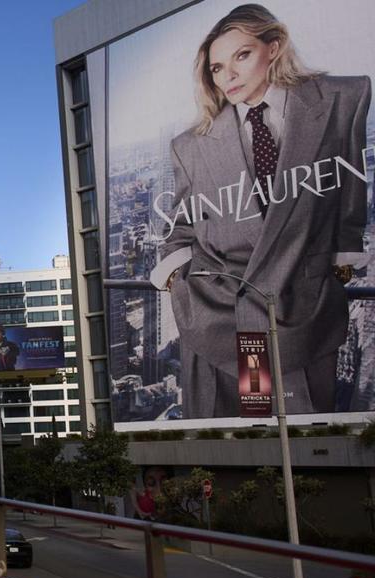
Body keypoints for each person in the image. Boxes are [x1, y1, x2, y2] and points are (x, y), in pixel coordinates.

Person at [151, 4, 370, 417]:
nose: (227, 75)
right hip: (217, 316)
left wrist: (342, 253)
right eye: (216, 67)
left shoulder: (344, 98)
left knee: (303, 451)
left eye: (241, 55)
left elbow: (351, 188)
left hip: (301, 312)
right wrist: (179, 277)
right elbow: (181, 227)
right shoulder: (191, 145)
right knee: (229, 450)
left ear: (274, 46)